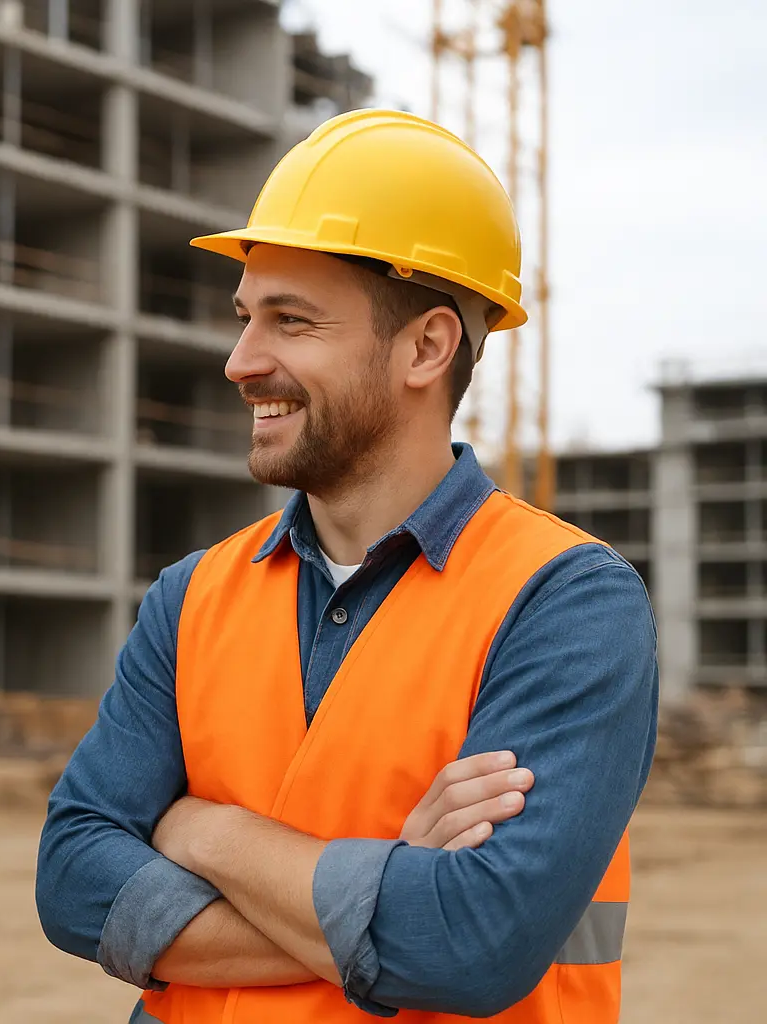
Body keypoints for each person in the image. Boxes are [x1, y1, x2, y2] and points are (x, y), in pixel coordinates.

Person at [35, 108, 658, 1022]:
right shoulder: (191, 596)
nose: (241, 362)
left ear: (427, 347)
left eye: (291, 322)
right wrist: (385, 888)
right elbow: (73, 880)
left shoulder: (566, 602)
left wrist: (201, 828)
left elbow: (474, 943)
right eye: (246, 318)